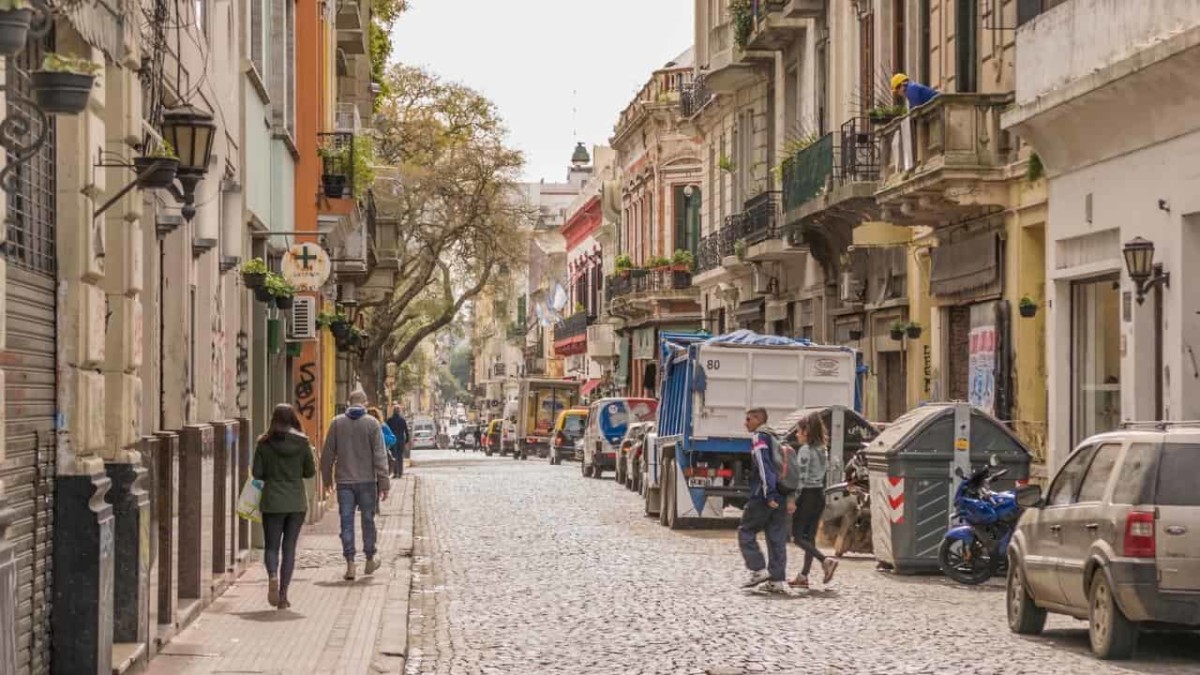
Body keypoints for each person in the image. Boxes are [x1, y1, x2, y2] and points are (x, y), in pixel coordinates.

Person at [321, 389, 391, 581]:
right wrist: (384, 483)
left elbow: (327, 455)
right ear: (365, 404)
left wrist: (326, 479)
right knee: (368, 520)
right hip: (367, 481)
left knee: (346, 522)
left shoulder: (336, 423)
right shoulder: (372, 424)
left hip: (344, 482)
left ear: (348, 403)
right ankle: (369, 558)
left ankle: (350, 563)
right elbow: (380, 455)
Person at [252, 403, 316, 610]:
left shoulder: (264, 443)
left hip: (272, 502)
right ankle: (283, 595)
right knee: (289, 549)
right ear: (293, 419)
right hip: (296, 502)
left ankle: (272, 575)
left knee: (272, 546)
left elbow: (257, 473)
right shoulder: (302, 443)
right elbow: (309, 472)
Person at [737, 408, 789, 594]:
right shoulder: (776, 436)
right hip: (782, 493)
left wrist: (769, 495)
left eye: (748, 419)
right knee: (776, 537)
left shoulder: (759, 437)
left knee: (746, 530)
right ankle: (777, 580)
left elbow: (763, 465)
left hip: (763, 494)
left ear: (759, 419)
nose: (745, 423)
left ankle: (758, 569)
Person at [788, 413, 839, 588]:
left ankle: (825, 561)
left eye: (798, 431)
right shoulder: (822, 449)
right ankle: (803, 576)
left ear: (806, 432)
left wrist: (793, 499)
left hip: (807, 495)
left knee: (797, 536)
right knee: (809, 538)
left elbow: (801, 478)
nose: (796, 435)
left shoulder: (805, 450)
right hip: (819, 494)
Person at [386, 404, 410, 478]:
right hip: (401, 440)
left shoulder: (389, 420)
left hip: (393, 440)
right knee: (400, 456)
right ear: (399, 411)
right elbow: (406, 431)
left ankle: (395, 472)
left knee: (394, 456)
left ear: (393, 411)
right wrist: (407, 440)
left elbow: (387, 431)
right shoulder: (402, 420)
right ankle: (400, 473)